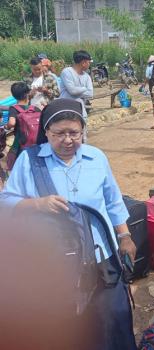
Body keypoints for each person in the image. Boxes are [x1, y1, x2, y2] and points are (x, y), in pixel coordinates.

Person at [0, 98, 137, 350]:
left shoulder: (96, 158)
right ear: (46, 133)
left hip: (101, 257)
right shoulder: (31, 161)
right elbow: (5, 201)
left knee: (109, 319)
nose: (67, 140)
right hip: (54, 261)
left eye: (74, 132)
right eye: (59, 133)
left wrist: (125, 236)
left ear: (83, 131)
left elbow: (113, 200)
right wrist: (38, 204)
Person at [59, 50, 93, 116]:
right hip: (65, 110)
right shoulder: (67, 72)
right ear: (83, 63)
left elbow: (90, 94)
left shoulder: (87, 77)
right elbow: (73, 91)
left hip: (80, 111)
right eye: (89, 62)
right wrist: (84, 88)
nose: (89, 64)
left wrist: (75, 91)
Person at [5, 82, 31, 169]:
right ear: (27, 93)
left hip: (20, 141)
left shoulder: (14, 108)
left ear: (13, 95)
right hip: (34, 140)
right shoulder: (34, 108)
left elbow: (12, 123)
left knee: (16, 161)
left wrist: (6, 127)